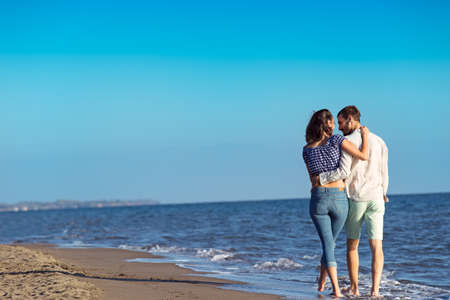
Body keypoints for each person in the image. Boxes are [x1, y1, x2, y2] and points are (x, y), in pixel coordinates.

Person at [318, 105, 389, 297]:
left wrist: (321, 179)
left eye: (340, 122)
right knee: (377, 247)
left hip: (357, 197)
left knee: (352, 245)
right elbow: (384, 172)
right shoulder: (380, 141)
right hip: (377, 197)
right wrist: (384, 193)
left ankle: (355, 288)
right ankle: (375, 291)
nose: (339, 127)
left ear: (350, 119)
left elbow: (344, 171)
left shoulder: (347, 141)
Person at [302, 109, 369, 297]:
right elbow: (363, 155)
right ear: (329, 123)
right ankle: (335, 290)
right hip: (339, 197)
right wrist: (365, 136)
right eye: (333, 121)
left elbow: (311, 179)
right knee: (329, 244)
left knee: (327, 244)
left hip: (318, 198)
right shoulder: (337, 140)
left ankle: (325, 283)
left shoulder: (307, 150)